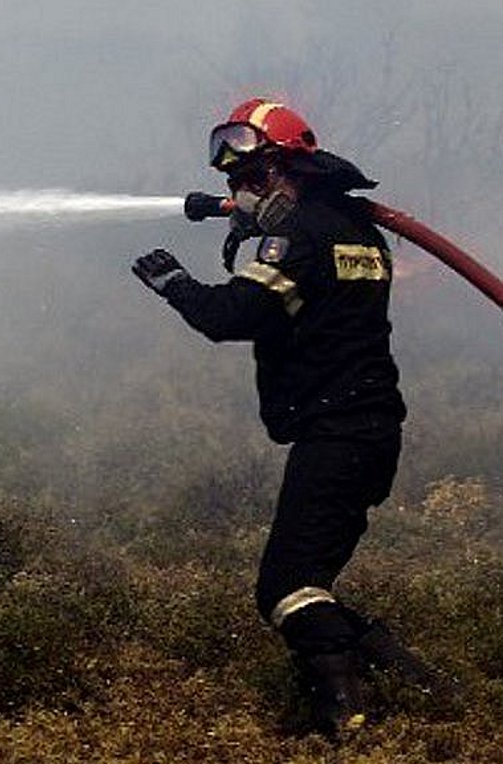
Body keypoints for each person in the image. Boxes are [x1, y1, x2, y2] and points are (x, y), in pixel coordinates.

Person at [131, 98, 451, 737]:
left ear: (289, 170)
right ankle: (427, 690)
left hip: (339, 433)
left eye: (253, 177)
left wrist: (173, 283)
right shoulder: (354, 229)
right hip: (365, 431)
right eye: (236, 183)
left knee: (285, 587)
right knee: (307, 583)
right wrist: (245, 223)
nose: (243, 192)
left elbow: (230, 317)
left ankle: (346, 720)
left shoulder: (300, 236)